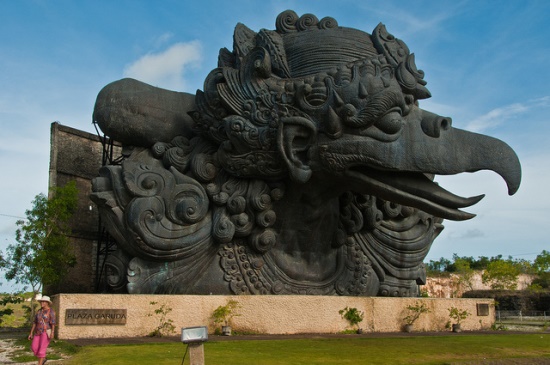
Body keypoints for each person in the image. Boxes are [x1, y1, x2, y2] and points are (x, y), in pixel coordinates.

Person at [28, 295, 56, 365]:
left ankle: (40, 363)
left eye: (44, 302)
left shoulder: (51, 311)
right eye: (41, 301)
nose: (42, 303)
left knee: (42, 350)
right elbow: (35, 322)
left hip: (45, 332)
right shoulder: (39, 311)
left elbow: (53, 323)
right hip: (37, 332)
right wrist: (31, 333)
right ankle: (43, 358)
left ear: (47, 303)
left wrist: (52, 332)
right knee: (34, 347)